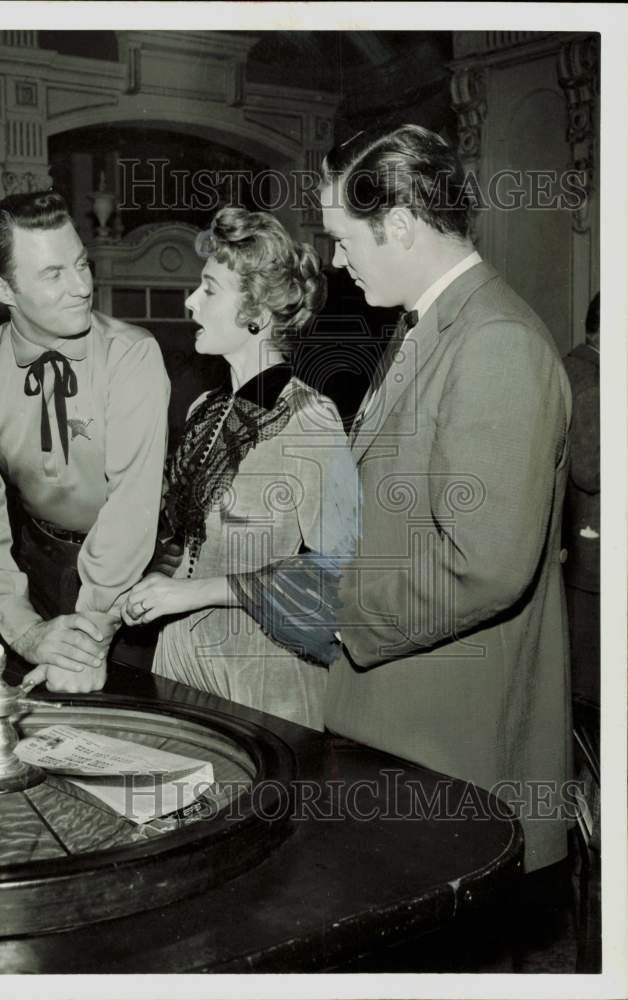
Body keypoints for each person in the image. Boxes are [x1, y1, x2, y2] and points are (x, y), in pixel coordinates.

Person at [231, 125, 573, 873]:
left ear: (401, 224)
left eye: (345, 240)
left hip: (450, 737)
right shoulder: (431, 328)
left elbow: (485, 564)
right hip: (402, 719)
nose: (336, 262)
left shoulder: (496, 341)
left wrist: (341, 614)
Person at [119, 207, 357, 731]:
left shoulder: (311, 420)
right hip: (181, 667)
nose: (189, 302)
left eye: (208, 289)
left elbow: (340, 578)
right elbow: (189, 545)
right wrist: (147, 585)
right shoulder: (205, 407)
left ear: (257, 313)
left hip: (263, 684)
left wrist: (195, 592)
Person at [0, 191, 170, 693]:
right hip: (37, 568)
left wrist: (88, 634)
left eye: (81, 265)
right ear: (4, 288)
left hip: (135, 576)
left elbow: (131, 511)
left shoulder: (133, 355)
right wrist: (26, 630)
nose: (81, 287)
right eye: (52, 274)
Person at [562, 292, 600, 708]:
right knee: (590, 688)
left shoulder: (570, 367)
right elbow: (589, 471)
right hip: (594, 554)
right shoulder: (594, 382)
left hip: (576, 550)